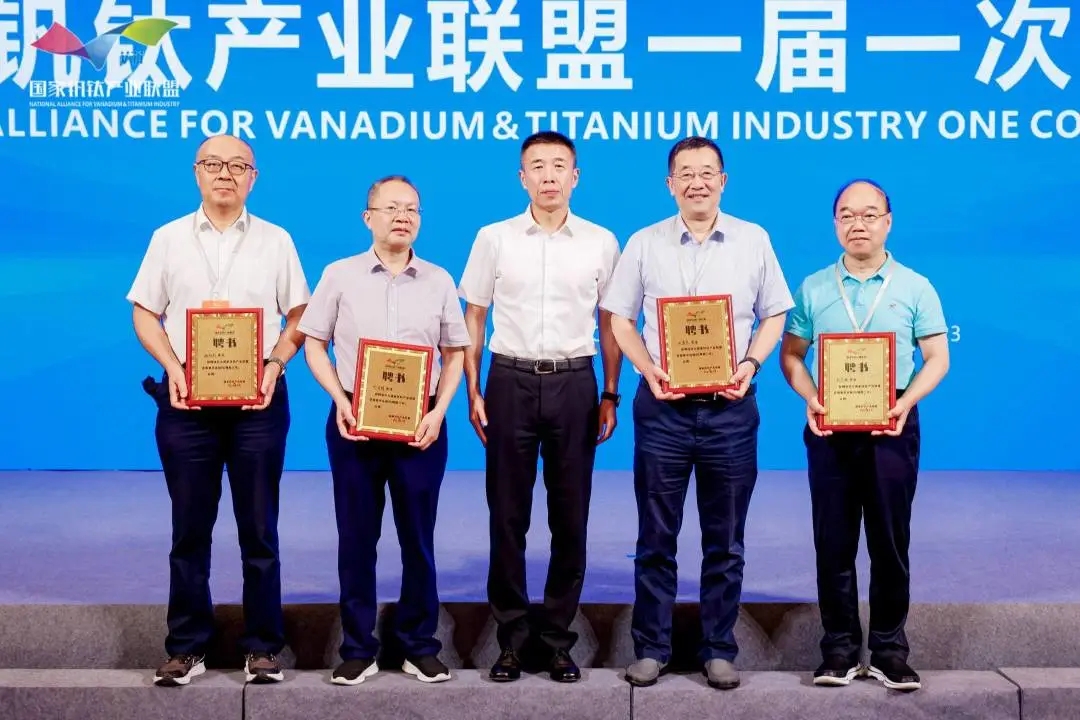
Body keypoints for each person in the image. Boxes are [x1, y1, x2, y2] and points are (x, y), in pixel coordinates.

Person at [600, 136, 794, 690]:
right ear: (670, 184)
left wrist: (751, 363)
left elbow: (775, 313)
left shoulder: (753, 240)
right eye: (685, 173)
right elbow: (619, 318)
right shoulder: (644, 243)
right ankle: (651, 648)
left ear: (723, 181)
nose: (697, 182)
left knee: (725, 540)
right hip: (663, 411)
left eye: (707, 172)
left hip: (730, 410)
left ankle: (718, 649)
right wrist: (647, 369)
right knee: (655, 537)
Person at [127, 134, 310, 686]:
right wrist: (173, 367)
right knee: (189, 529)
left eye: (237, 165)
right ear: (196, 172)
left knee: (260, 529)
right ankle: (187, 647)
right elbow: (144, 312)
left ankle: (264, 647)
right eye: (213, 163)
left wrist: (275, 364)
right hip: (187, 402)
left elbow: (300, 315)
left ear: (254, 177)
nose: (224, 173)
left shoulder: (277, 240)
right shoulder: (167, 238)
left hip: (259, 402)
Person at [458, 131, 623, 683]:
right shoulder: (494, 238)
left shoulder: (601, 241)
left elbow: (610, 323)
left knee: (570, 516)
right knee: (507, 515)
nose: (548, 175)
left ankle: (555, 640)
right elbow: (474, 317)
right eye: (537, 166)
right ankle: (511, 640)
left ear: (575, 176)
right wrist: (474, 389)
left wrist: (610, 391)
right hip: (509, 380)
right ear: (521, 177)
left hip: (576, 383)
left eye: (558, 166)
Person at [779, 179, 949, 692]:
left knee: (889, 541)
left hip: (891, 422)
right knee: (833, 541)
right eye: (848, 215)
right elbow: (792, 355)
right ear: (835, 223)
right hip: (830, 424)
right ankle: (838, 650)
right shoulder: (813, 287)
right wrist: (811, 397)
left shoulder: (915, 286)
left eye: (870, 214)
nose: (859, 224)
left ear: (888, 222)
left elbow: (937, 357)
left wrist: (906, 401)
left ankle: (890, 652)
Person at [299, 175, 470, 686]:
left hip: (421, 426)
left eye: (412, 209)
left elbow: (454, 353)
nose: (403, 217)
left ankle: (420, 645)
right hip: (355, 423)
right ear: (367, 217)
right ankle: (357, 648)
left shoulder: (439, 280)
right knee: (356, 538)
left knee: (419, 539)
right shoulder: (339, 275)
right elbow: (314, 343)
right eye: (392, 208)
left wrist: (439, 412)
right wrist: (340, 399)